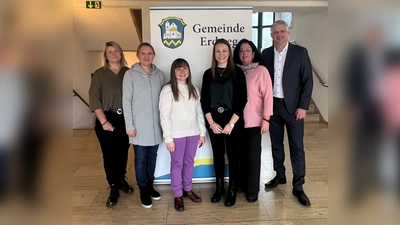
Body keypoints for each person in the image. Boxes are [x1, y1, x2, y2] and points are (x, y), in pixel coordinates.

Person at [261, 20, 313, 206]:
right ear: (271, 35)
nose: (279, 34)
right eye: (276, 32)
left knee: (296, 147)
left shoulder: (300, 53)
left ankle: (298, 185)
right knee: (276, 144)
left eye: (282, 31)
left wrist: (303, 106)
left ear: (288, 33)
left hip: (293, 109)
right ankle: (279, 175)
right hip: (272, 107)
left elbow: (307, 81)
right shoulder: (265, 54)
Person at [200, 38, 247, 207]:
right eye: (218, 51)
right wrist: (211, 123)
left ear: (229, 53)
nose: (221, 54)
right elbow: (204, 100)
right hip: (214, 122)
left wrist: (231, 124)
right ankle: (219, 187)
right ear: (214, 53)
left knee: (234, 156)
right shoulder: (208, 74)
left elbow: (242, 100)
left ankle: (232, 189)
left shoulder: (238, 73)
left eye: (224, 51)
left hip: (233, 121)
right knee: (218, 155)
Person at [89, 41, 134, 208]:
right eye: (110, 51)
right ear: (105, 55)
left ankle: (121, 178)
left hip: (126, 118)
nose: (114, 54)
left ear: (121, 53)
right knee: (109, 154)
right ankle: (113, 186)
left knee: (123, 151)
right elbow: (94, 99)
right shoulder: (99, 74)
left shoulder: (128, 73)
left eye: (117, 51)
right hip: (106, 117)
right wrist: (104, 121)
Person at [159, 58, 206, 211]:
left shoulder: (194, 89)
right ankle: (178, 194)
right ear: (173, 72)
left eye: (185, 68)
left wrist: (202, 132)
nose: (182, 72)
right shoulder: (168, 90)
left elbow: (199, 112)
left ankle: (188, 189)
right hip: (176, 135)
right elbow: (164, 115)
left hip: (193, 133)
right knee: (177, 164)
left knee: (189, 162)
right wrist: (168, 138)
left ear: (189, 71)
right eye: (178, 69)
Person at [122, 42, 165, 209]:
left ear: (153, 55)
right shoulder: (130, 75)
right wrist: (129, 125)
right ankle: (143, 189)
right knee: (140, 159)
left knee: (152, 157)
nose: (146, 56)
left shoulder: (160, 74)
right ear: (138, 56)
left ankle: (150, 185)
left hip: (156, 126)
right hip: (138, 126)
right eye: (143, 53)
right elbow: (126, 101)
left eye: (150, 53)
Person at [233, 39, 273, 202]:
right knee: (240, 155)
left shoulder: (261, 71)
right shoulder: (234, 71)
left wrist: (266, 119)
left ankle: (252, 189)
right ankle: (241, 184)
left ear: (253, 53)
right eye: (241, 51)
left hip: (255, 121)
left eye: (247, 50)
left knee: (253, 156)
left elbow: (268, 96)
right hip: (236, 122)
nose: (244, 53)